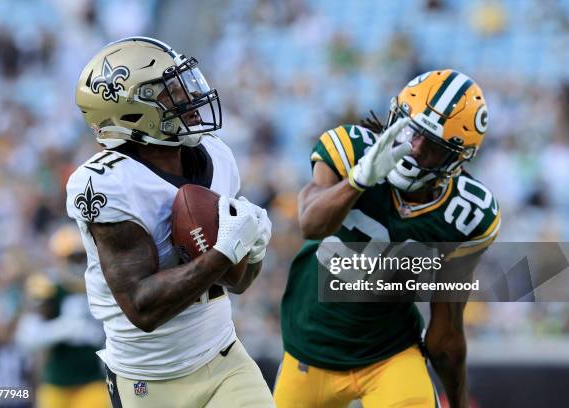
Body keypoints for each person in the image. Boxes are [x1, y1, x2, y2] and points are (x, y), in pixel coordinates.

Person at [66, 37, 274, 408]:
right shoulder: (107, 183)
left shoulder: (216, 154)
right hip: (149, 381)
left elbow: (237, 282)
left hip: (225, 358)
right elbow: (142, 307)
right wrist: (225, 250)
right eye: (171, 93)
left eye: (185, 85)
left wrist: (252, 250)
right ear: (130, 111)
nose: (191, 100)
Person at [274, 70, 500, 408]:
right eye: (413, 131)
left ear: (456, 160)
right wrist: (359, 180)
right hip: (310, 349)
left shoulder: (465, 216)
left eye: (433, 148)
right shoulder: (350, 148)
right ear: (396, 115)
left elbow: (446, 333)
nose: (415, 150)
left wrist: (458, 401)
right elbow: (310, 223)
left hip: (390, 355)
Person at [15, 224, 107, 408]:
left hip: (93, 378)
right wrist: (67, 329)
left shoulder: (102, 283)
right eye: (73, 257)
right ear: (59, 259)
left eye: (82, 256)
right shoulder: (47, 286)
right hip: (57, 381)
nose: (80, 262)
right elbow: (27, 336)